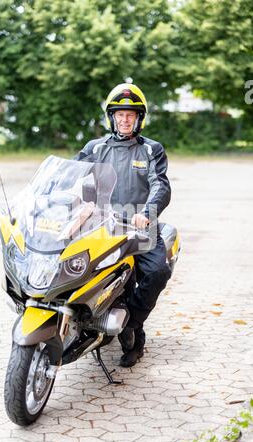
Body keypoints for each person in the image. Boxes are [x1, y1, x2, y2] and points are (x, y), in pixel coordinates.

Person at [75, 83, 172, 367]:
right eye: (120, 114)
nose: (125, 119)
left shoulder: (151, 149)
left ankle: (131, 322)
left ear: (139, 118)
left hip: (139, 226)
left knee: (157, 271)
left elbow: (160, 186)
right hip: (101, 225)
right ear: (112, 117)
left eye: (131, 114)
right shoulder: (95, 147)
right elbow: (72, 177)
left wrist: (147, 213)